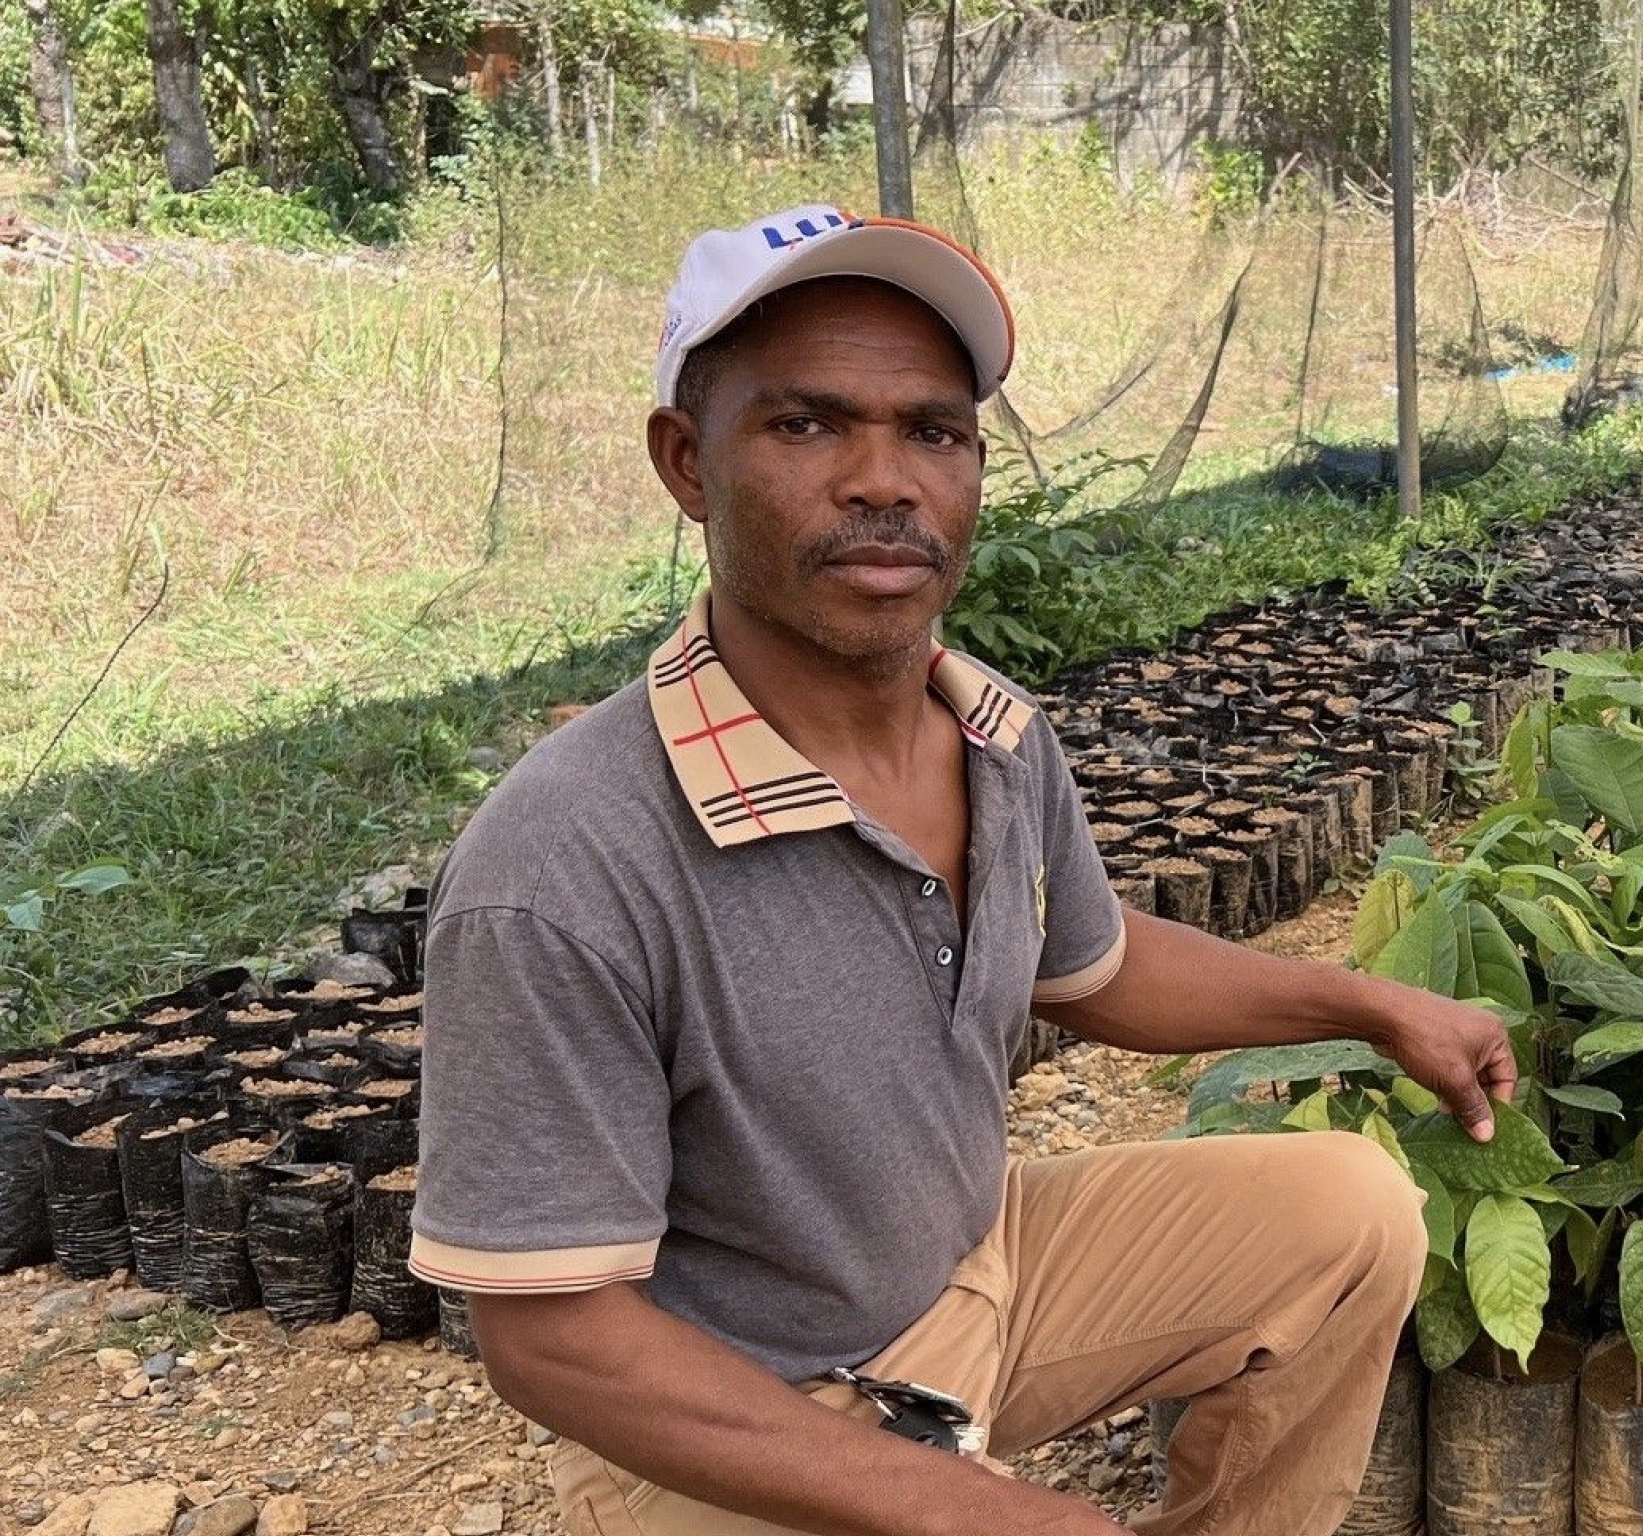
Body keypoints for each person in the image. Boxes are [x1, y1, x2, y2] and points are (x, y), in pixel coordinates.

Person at [407, 205, 1519, 1536]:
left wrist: (1367, 1003)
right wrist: (953, 1506)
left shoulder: (991, 733)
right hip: (743, 1416)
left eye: (932, 429)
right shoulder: (564, 862)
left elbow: (1094, 968)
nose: (884, 477)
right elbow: (552, 1339)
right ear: (686, 462)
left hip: (977, 1277)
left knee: (1349, 1214)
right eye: (805, 424)